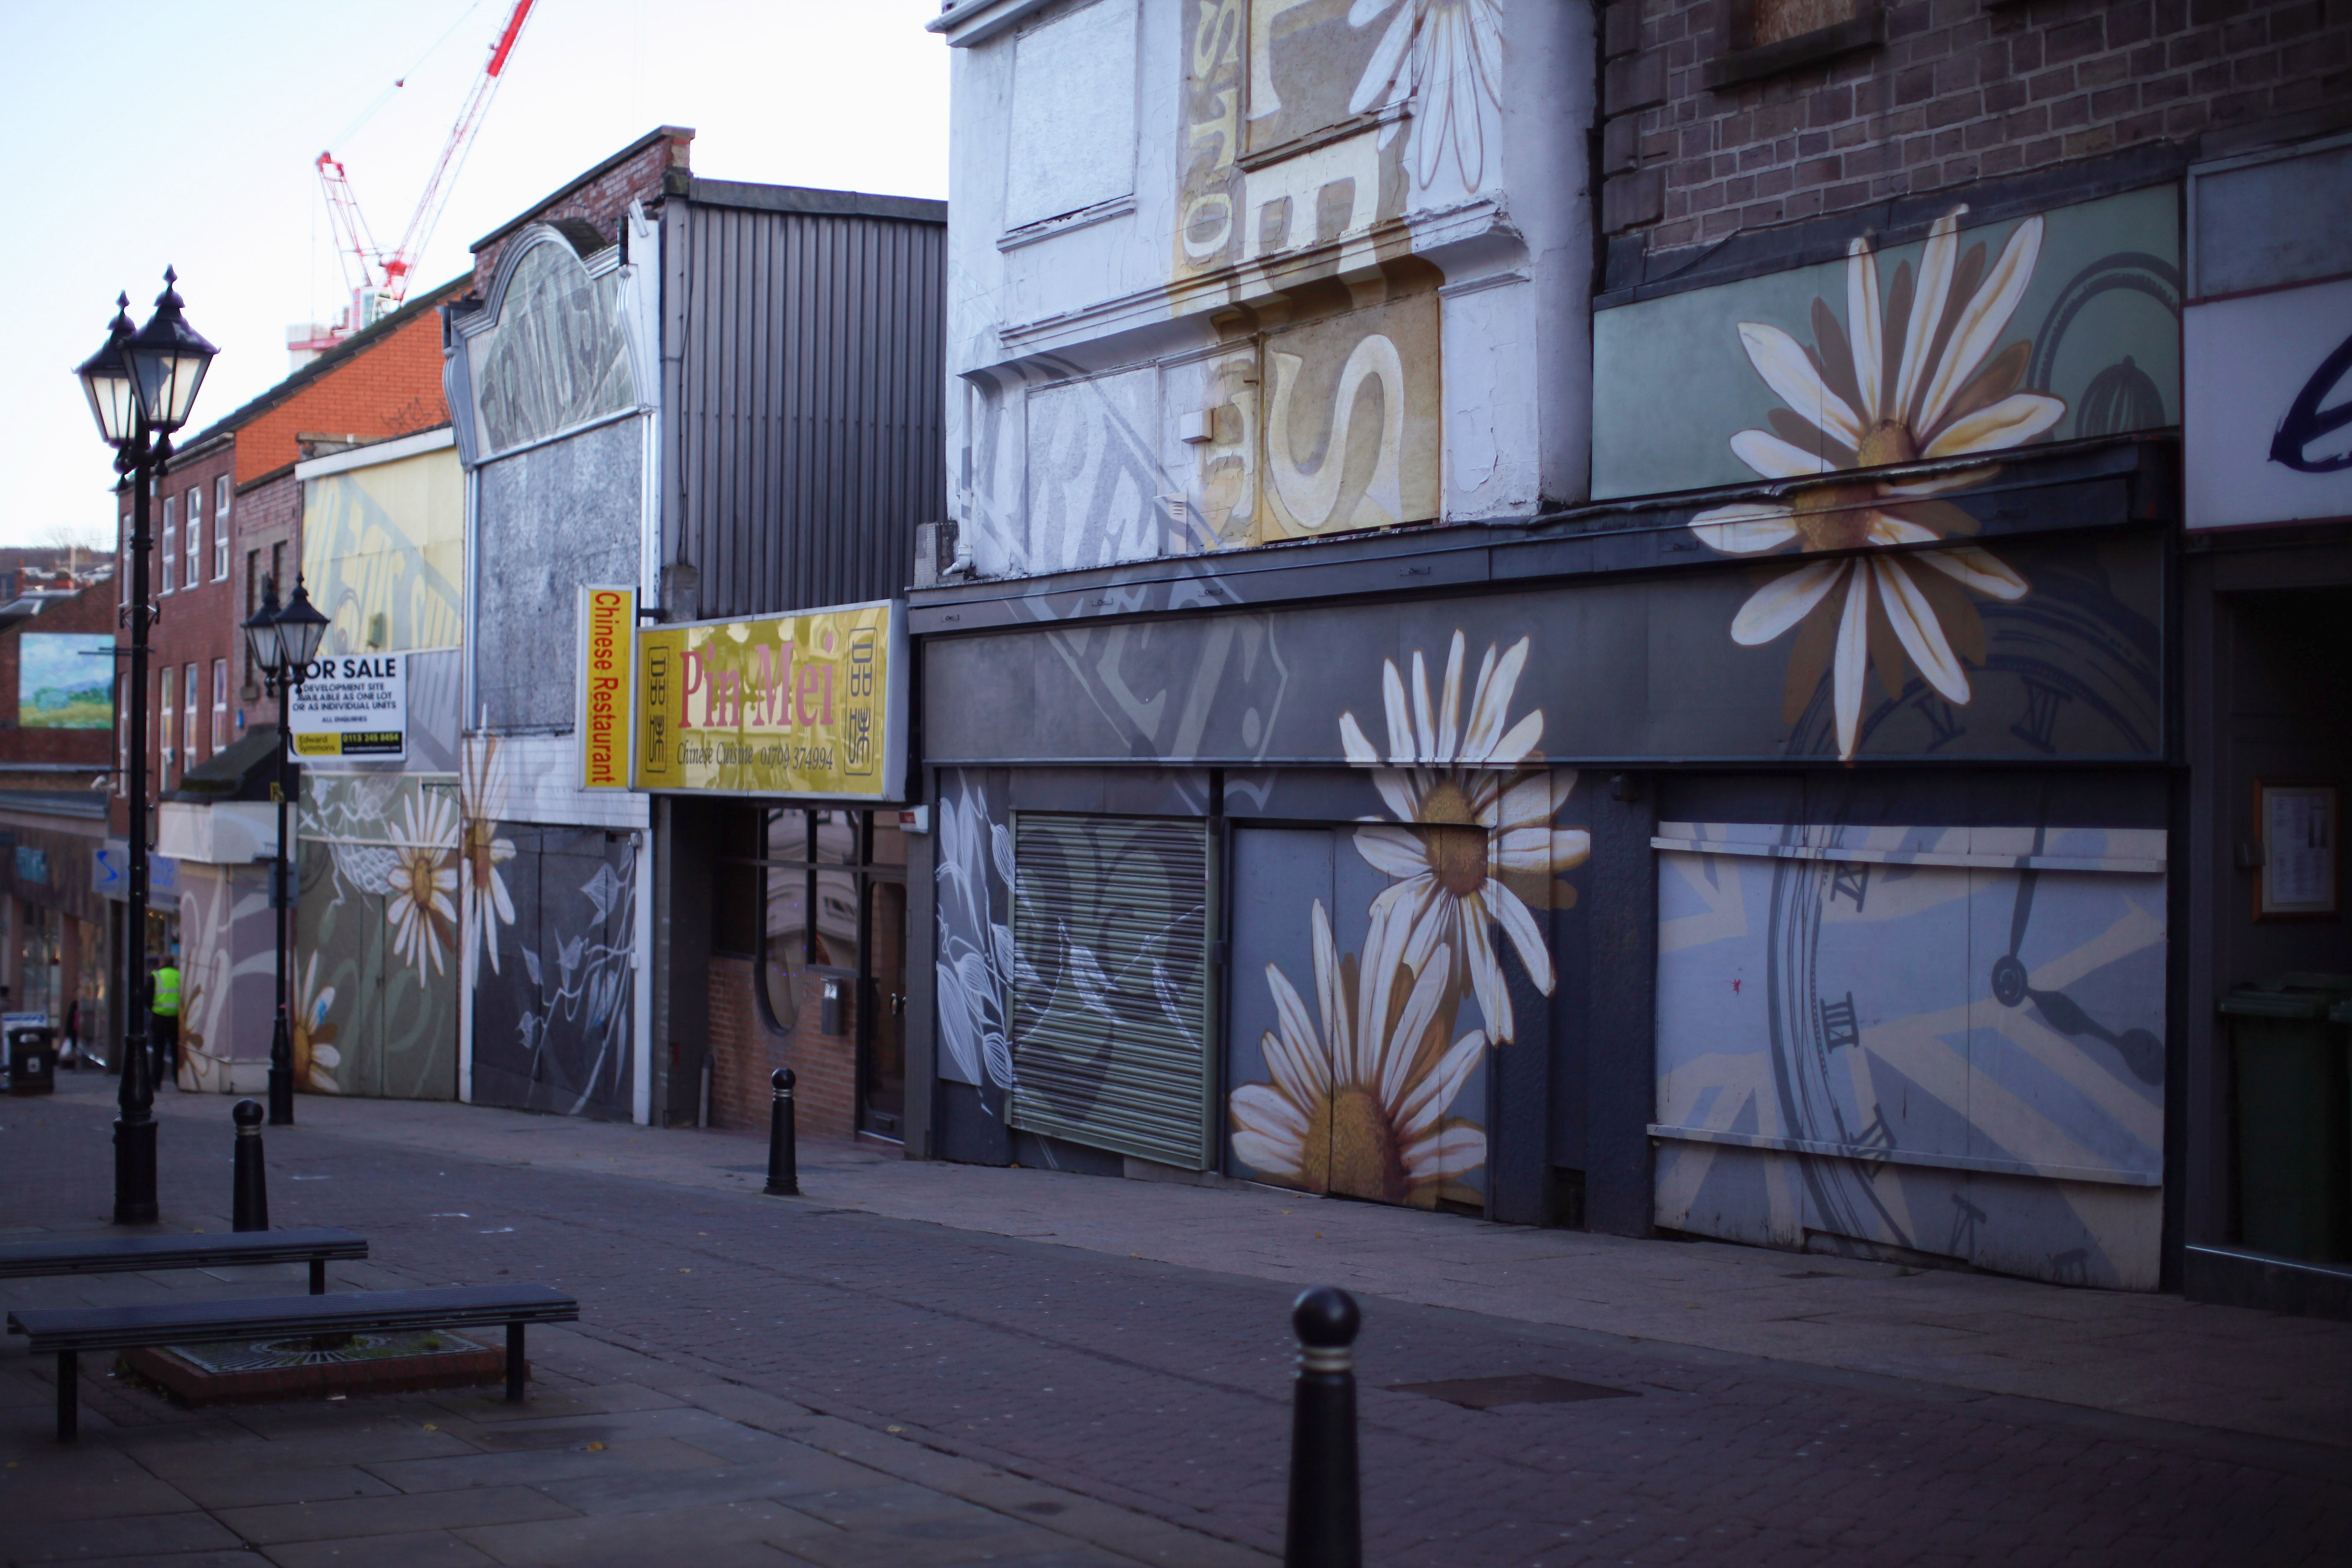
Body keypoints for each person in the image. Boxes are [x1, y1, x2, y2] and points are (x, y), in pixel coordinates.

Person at [150, 956, 181, 1087]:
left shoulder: (155, 976)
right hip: (176, 1019)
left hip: (159, 1018)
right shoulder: (179, 975)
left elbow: (147, 997)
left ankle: (157, 1082)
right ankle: (178, 1079)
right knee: (176, 1051)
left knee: (159, 1052)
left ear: (161, 963)